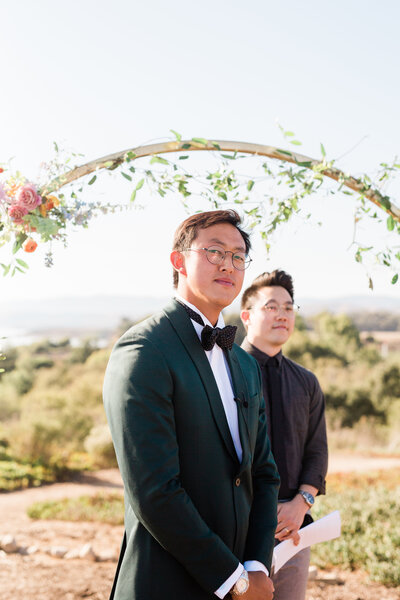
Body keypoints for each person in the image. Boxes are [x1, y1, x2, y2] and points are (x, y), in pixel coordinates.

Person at [103, 210, 280, 600]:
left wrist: (255, 565)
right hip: (165, 582)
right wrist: (233, 579)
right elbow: (155, 491)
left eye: (237, 256)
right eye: (214, 252)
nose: (228, 265)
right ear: (178, 260)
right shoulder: (144, 350)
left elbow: (263, 473)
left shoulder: (245, 364)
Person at [240, 269, 328, 600]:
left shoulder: (307, 382)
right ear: (247, 316)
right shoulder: (225, 372)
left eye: (289, 308)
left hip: (294, 528)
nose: (282, 315)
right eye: (271, 307)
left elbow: (317, 451)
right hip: (238, 525)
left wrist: (300, 504)